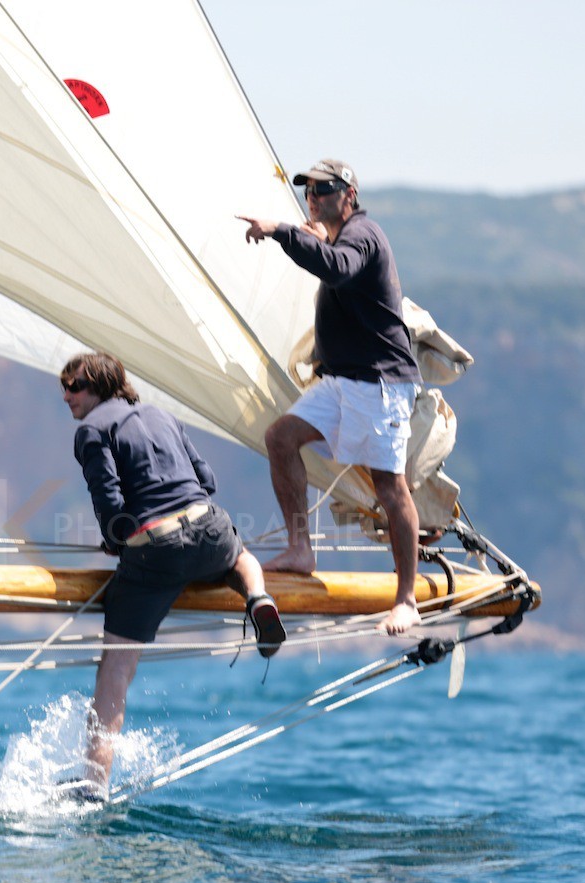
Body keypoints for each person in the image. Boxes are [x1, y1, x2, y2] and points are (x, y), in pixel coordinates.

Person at [62, 351, 285, 802]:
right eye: (64, 386)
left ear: (101, 385)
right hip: (210, 527)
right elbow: (207, 478)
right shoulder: (161, 413)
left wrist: (116, 539)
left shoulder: (90, 430)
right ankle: (258, 598)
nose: (68, 394)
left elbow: (107, 498)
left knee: (115, 675)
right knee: (239, 556)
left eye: (76, 385)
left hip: (156, 549)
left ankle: (92, 788)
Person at [236, 158, 423, 635]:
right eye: (308, 191)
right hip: (341, 381)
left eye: (324, 188)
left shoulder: (363, 234)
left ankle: (406, 599)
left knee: (389, 487)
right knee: (280, 438)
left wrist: (281, 230)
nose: (313, 197)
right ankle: (301, 549)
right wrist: (314, 238)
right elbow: (333, 259)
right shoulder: (339, 237)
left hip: (380, 384)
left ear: (350, 195)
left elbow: (339, 270)